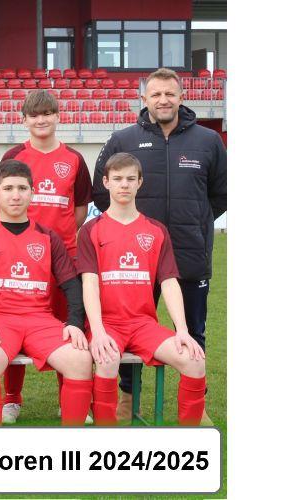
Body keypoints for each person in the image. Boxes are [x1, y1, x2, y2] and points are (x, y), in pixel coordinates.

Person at [91, 68, 225, 423]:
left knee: (193, 330)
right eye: (156, 94)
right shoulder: (123, 138)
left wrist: (195, 222)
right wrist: (130, 231)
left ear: (181, 97)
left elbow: (221, 194)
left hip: (189, 253)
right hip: (134, 259)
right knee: (127, 325)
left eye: (169, 93)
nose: (163, 100)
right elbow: (101, 192)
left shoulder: (208, 141)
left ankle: (198, 403)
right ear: (144, 99)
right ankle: (127, 398)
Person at [0, 159, 92, 426]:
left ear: (33, 192)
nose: (16, 195)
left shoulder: (48, 237)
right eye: (8, 188)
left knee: (80, 359)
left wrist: (75, 323)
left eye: (22, 188)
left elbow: (71, 285)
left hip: (39, 320)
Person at [79, 152, 206, 426]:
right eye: (117, 179)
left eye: (130, 179)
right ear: (106, 182)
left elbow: (169, 282)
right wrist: (97, 331)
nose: (124, 185)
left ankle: (191, 441)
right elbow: (89, 283)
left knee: (194, 360)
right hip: (108, 324)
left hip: (143, 324)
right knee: (107, 360)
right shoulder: (91, 230)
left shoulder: (156, 230)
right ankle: (105, 438)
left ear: (140, 183)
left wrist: (182, 330)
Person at [0, 89, 92, 424]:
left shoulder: (74, 159)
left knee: (69, 328)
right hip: (20, 260)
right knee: (14, 323)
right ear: (24, 120)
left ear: (57, 116)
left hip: (62, 260)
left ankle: (69, 396)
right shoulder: (14, 155)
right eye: (34, 114)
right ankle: (12, 399)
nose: (41, 120)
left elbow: (79, 207)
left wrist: (59, 240)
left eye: (47, 113)